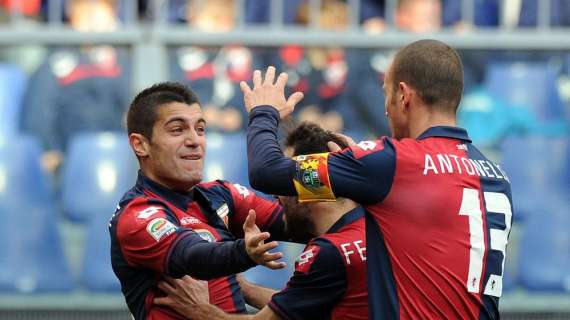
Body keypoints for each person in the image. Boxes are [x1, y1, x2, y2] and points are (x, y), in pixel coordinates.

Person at [242, 40, 514, 319]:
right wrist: (353, 173)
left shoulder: (393, 162)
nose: (385, 109)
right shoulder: (495, 174)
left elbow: (267, 171)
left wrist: (263, 112)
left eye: (386, 94)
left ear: (403, 95)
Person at [109, 82, 290, 320]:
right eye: (177, 130)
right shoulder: (137, 215)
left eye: (200, 129)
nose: (195, 140)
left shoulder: (222, 195)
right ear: (140, 144)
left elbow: (297, 222)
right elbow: (194, 257)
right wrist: (244, 252)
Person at [153, 122, 368, 320]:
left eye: (283, 182)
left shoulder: (327, 253)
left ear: (311, 186)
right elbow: (301, 305)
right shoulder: (378, 224)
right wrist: (244, 289)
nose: (277, 195)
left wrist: (202, 312)